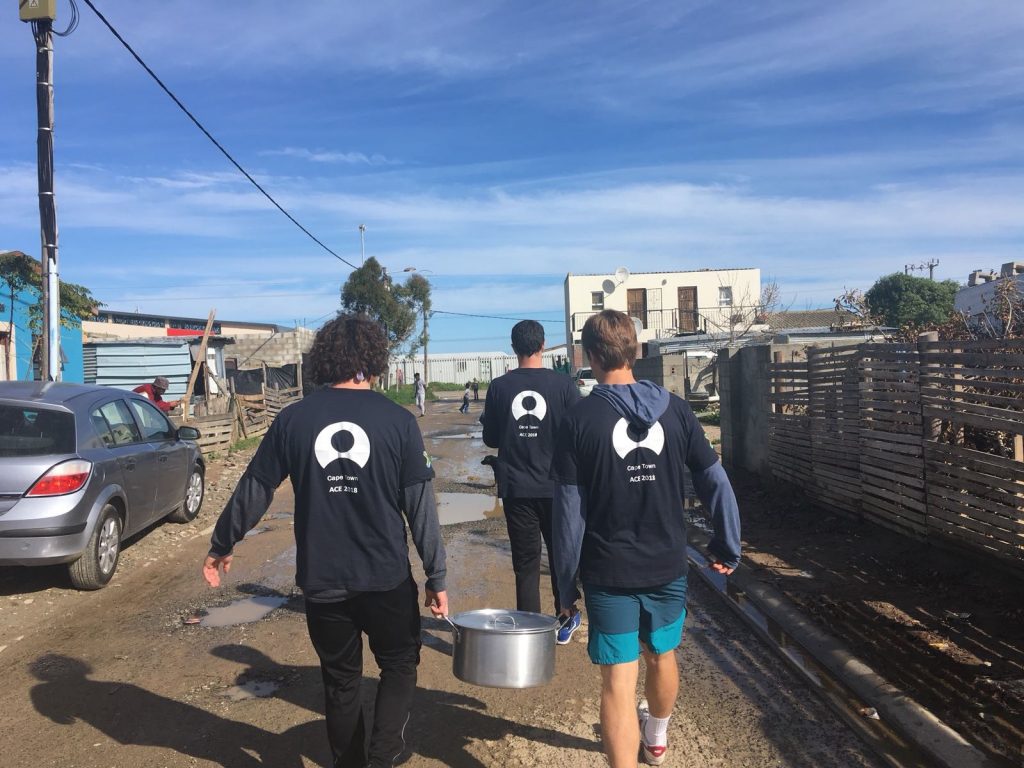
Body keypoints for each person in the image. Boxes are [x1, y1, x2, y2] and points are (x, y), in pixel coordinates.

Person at [202, 314, 448, 768]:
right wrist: (437, 574)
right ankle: (385, 750)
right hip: (385, 577)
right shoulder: (397, 421)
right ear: (374, 360)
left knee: (340, 680)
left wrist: (222, 543)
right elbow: (421, 508)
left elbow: (256, 486)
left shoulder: (294, 419)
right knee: (399, 663)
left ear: (326, 358)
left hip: (322, 580)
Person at [551, 309, 741, 768]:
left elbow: (569, 513)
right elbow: (716, 480)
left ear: (593, 356)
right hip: (666, 564)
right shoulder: (677, 411)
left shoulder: (578, 420)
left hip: (608, 569)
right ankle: (656, 738)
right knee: (662, 654)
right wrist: (727, 545)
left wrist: (564, 585)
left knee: (618, 680)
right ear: (633, 351)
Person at [480, 319, 582, 643]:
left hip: (516, 487)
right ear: (542, 346)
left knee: (525, 562)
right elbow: (578, 434)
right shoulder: (564, 386)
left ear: (514, 348)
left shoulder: (499, 387)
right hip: (558, 487)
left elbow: (491, 438)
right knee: (562, 555)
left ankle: (530, 631)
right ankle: (565, 616)